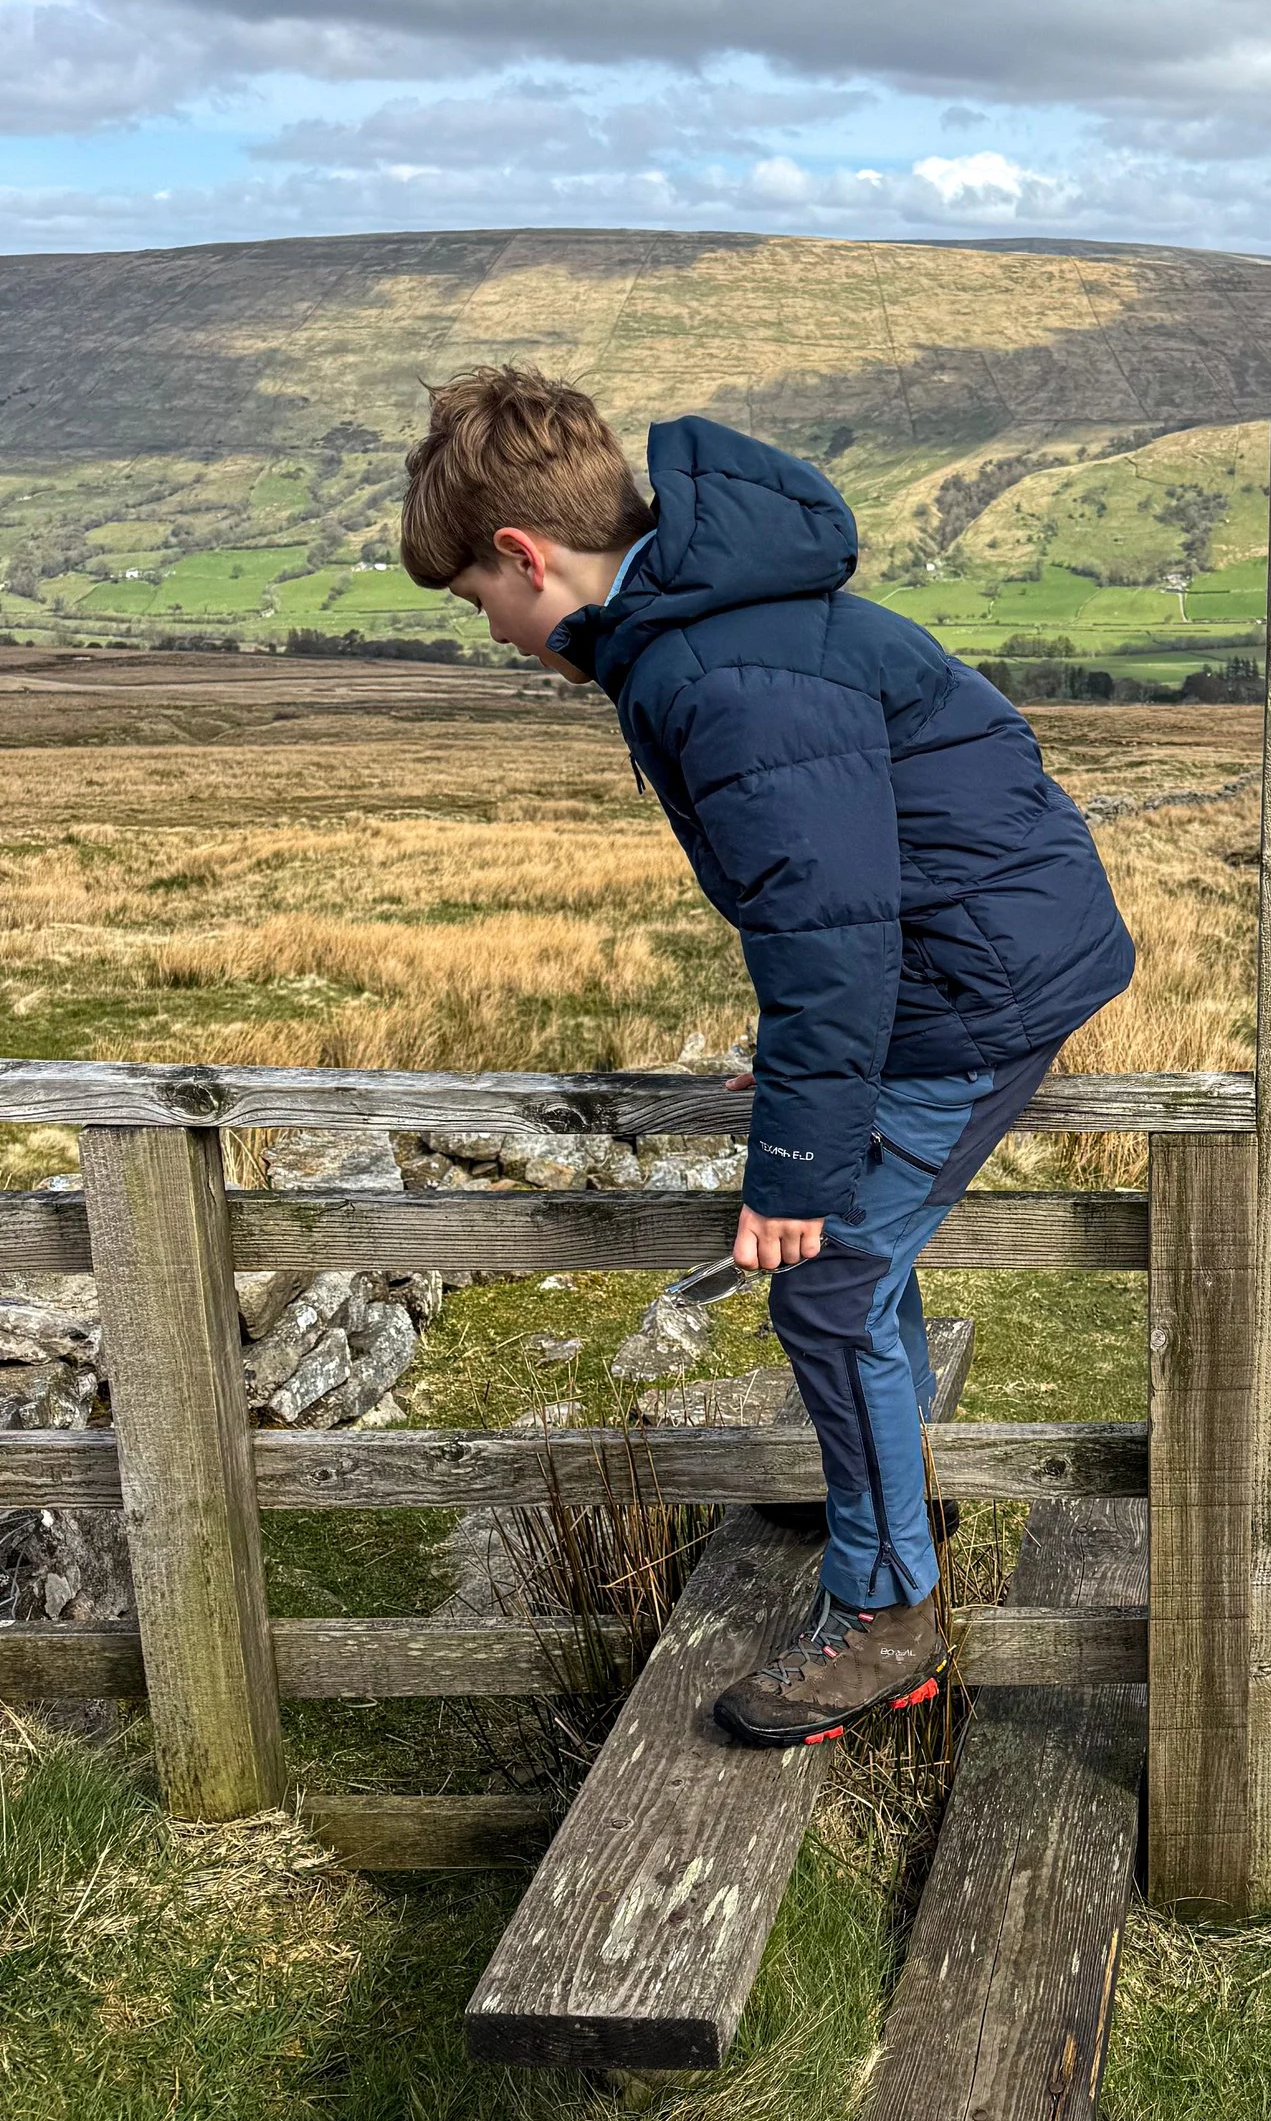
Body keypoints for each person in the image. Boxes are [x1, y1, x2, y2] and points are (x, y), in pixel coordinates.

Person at [398, 366, 1135, 1747]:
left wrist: (797, 1154)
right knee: (867, 1268)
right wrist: (807, 1067)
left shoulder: (720, 669)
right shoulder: (716, 624)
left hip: (974, 985)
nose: (490, 633)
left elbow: (832, 931)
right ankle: (890, 1495)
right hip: (974, 955)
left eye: (476, 603)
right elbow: (840, 898)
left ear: (524, 556)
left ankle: (887, 1614)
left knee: (831, 1278)